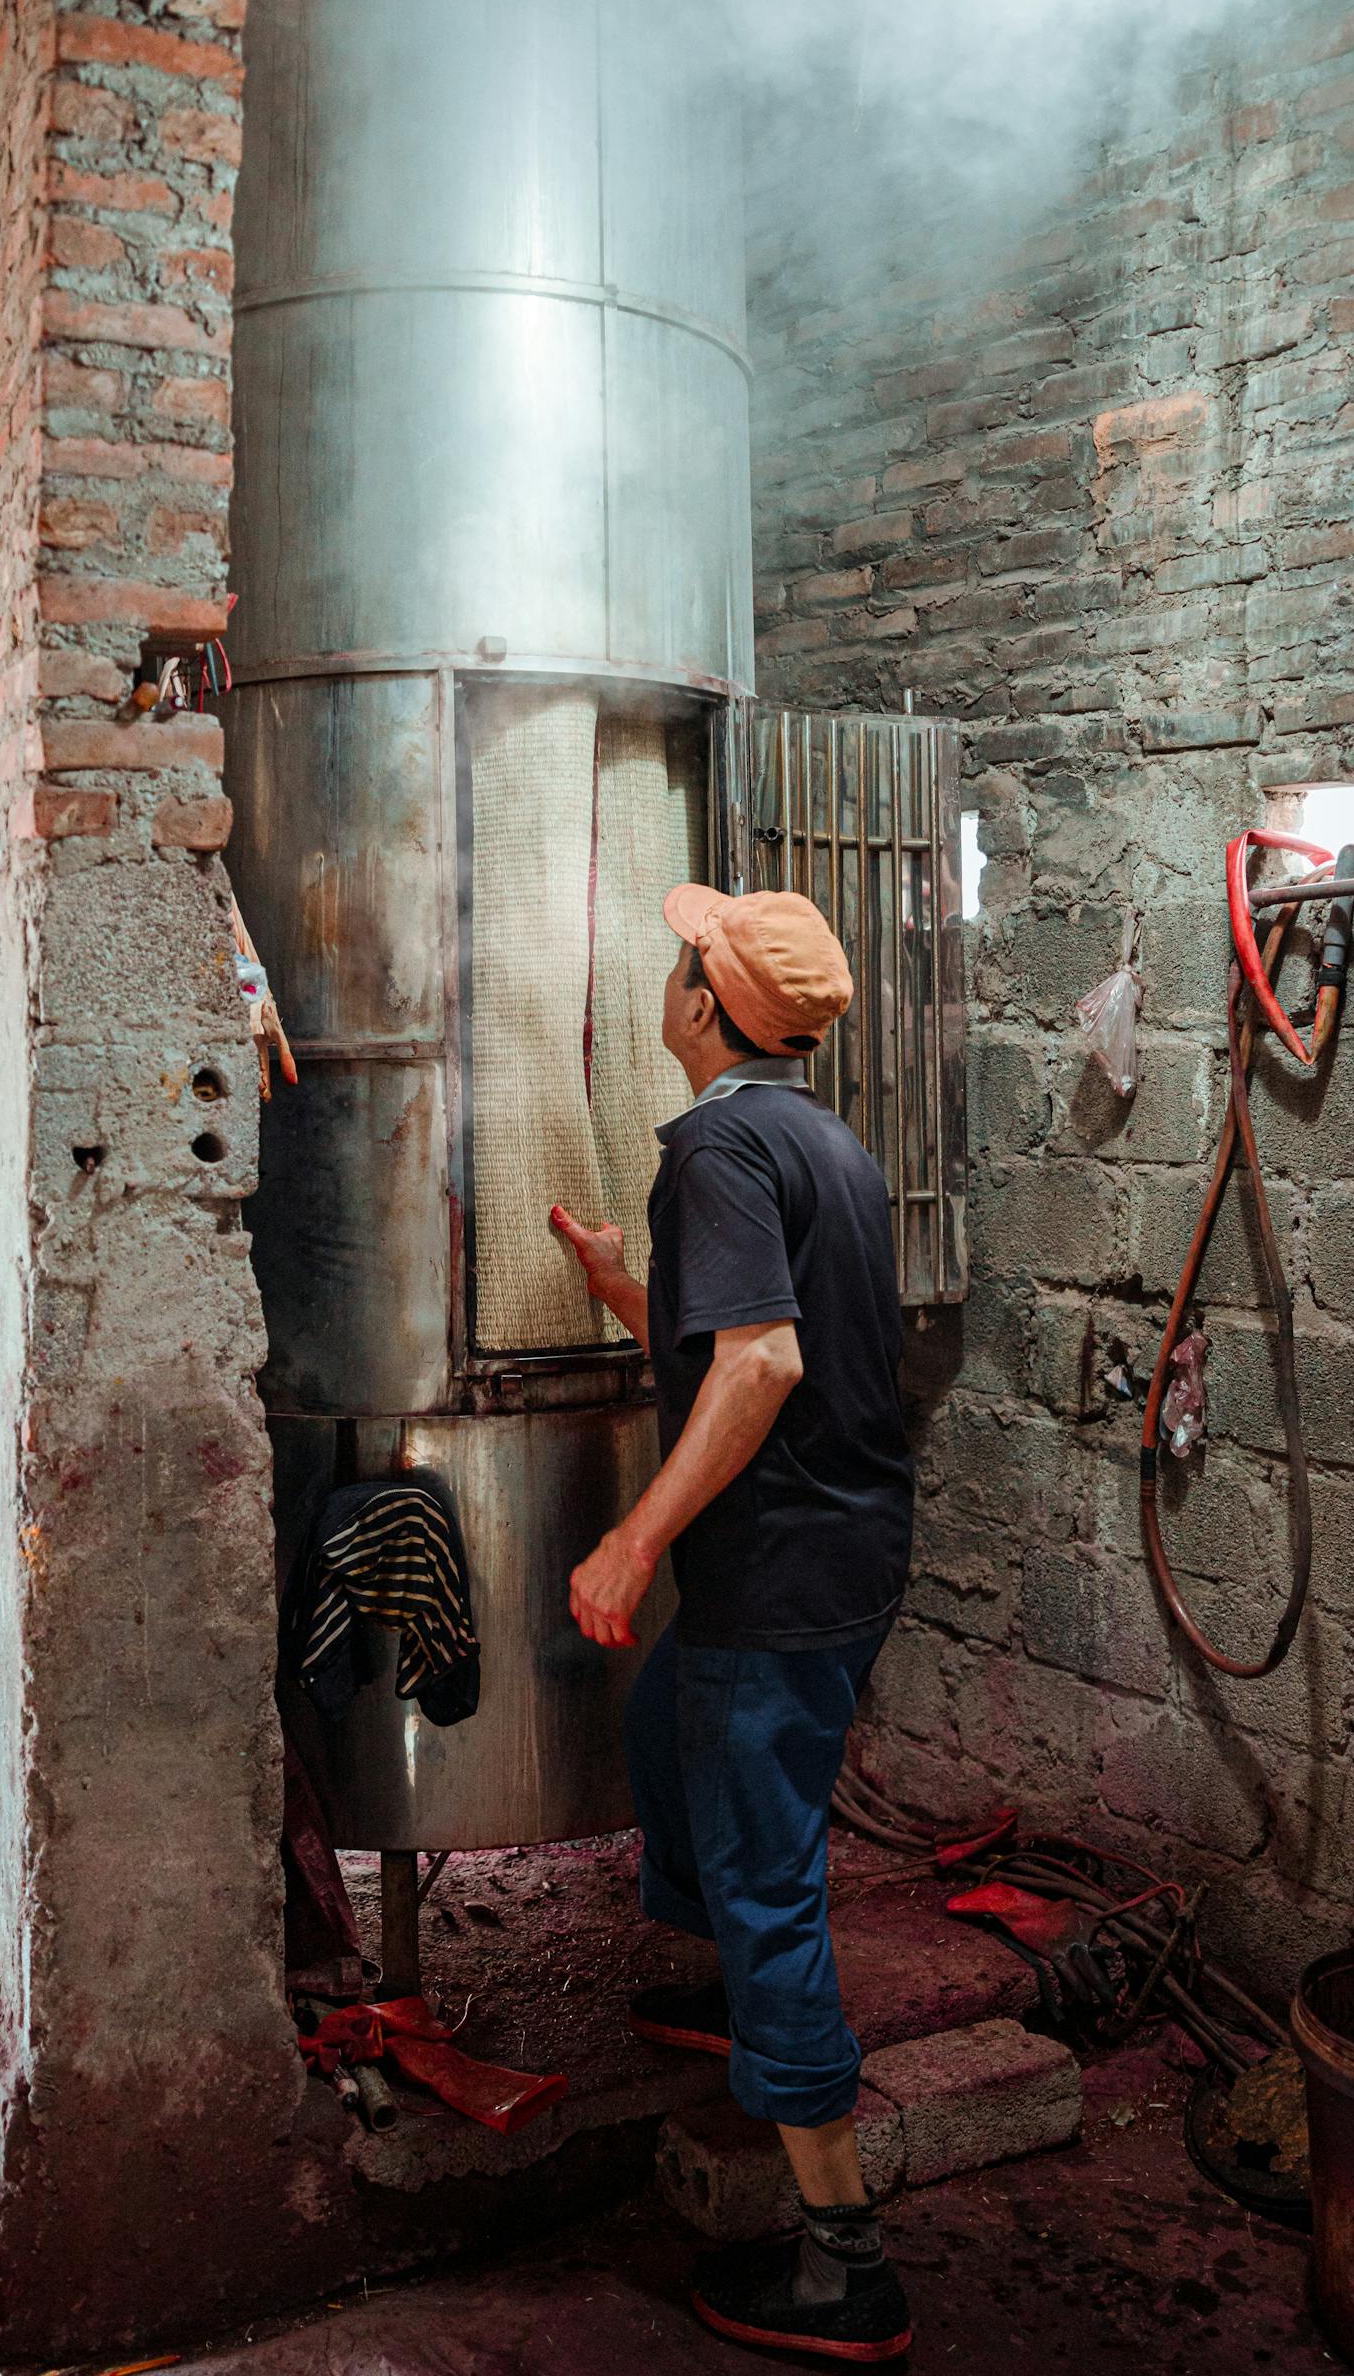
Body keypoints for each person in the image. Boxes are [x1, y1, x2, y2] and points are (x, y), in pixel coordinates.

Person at [552, 884, 916, 2364]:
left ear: (705, 1008)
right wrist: (624, 1290)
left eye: (677, 966)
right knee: (664, 1728)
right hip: (849, 1551)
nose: (665, 981)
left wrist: (634, 1540)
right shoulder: (822, 1140)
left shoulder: (713, 1143)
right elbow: (757, 1328)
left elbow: (758, 1367)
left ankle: (846, 2262)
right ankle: (735, 1995)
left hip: (777, 1574)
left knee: (774, 1882)